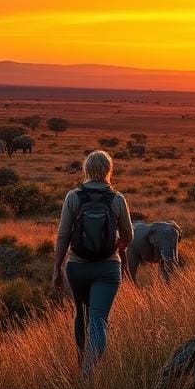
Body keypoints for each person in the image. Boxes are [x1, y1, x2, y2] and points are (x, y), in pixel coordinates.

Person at [52, 150, 134, 375]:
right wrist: (120, 245)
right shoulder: (117, 198)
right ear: (109, 170)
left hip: (76, 267)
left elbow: (63, 235)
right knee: (98, 321)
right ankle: (88, 372)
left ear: (86, 169)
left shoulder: (73, 196)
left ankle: (82, 365)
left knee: (81, 314)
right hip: (108, 268)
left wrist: (57, 269)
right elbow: (129, 234)